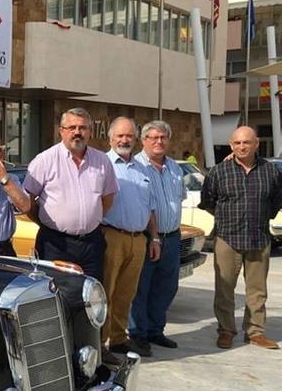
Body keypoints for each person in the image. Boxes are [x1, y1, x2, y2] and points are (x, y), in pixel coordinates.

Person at [199, 126, 282, 350]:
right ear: (231, 145)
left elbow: (276, 201)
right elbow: (208, 201)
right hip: (228, 238)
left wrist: (261, 218)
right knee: (224, 289)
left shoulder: (271, 172)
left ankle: (255, 332)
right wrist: (227, 218)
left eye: (247, 142)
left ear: (256, 144)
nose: (242, 147)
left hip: (259, 237)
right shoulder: (219, 171)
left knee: (257, 290)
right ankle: (226, 331)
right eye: (237, 143)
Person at [23, 108, 118, 280]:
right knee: (56, 295)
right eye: (71, 127)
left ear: (90, 132)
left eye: (82, 128)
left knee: (91, 296)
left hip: (91, 243)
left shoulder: (102, 161)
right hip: (55, 244)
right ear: (61, 131)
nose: (77, 132)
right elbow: (27, 202)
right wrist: (47, 222)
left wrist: (89, 220)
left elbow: (107, 199)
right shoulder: (44, 160)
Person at [100, 117, 161, 364]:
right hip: (111, 236)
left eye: (129, 136)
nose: (125, 140)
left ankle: (117, 338)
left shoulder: (142, 168)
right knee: (106, 292)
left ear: (136, 139)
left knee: (126, 293)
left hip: (138, 240)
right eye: (120, 136)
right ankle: (100, 342)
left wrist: (154, 237)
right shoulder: (102, 164)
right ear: (110, 138)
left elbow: (150, 207)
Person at [129, 121, 187, 353]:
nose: (158, 142)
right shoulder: (135, 166)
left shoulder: (174, 168)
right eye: (153, 137)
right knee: (141, 288)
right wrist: (153, 236)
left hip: (172, 237)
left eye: (163, 137)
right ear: (143, 141)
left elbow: (179, 198)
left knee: (166, 287)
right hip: (145, 238)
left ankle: (155, 330)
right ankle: (138, 334)